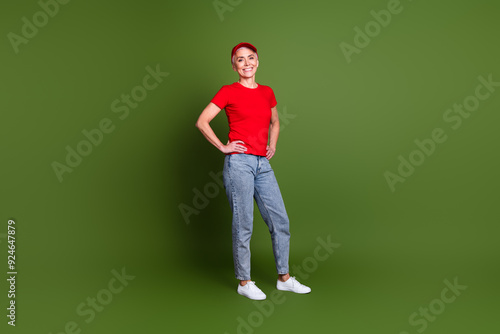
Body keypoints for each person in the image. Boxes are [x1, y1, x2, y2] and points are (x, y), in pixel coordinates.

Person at [195, 42, 311, 300]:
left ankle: (284, 278)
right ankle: (244, 282)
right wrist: (224, 147)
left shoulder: (267, 92)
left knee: (280, 220)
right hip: (239, 163)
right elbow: (202, 121)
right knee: (244, 223)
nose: (246, 63)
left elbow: (275, 121)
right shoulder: (228, 91)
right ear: (234, 65)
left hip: (262, 164)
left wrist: (272, 144)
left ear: (257, 61)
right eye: (240, 59)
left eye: (250, 58)